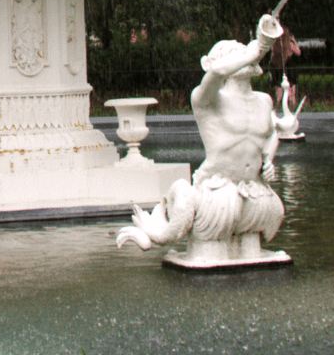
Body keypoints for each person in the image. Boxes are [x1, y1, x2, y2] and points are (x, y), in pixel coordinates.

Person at [118, 15, 287, 265]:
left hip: (253, 191)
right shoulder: (207, 100)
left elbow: (271, 134)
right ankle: (159, 232)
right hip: (215, 196)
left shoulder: (264, 101)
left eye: (247, 53)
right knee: (211, 255)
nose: (248, 56)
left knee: (254, 252)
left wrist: (267, 160)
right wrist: (253, 51)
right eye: (237, 54)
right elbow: (217, 71)